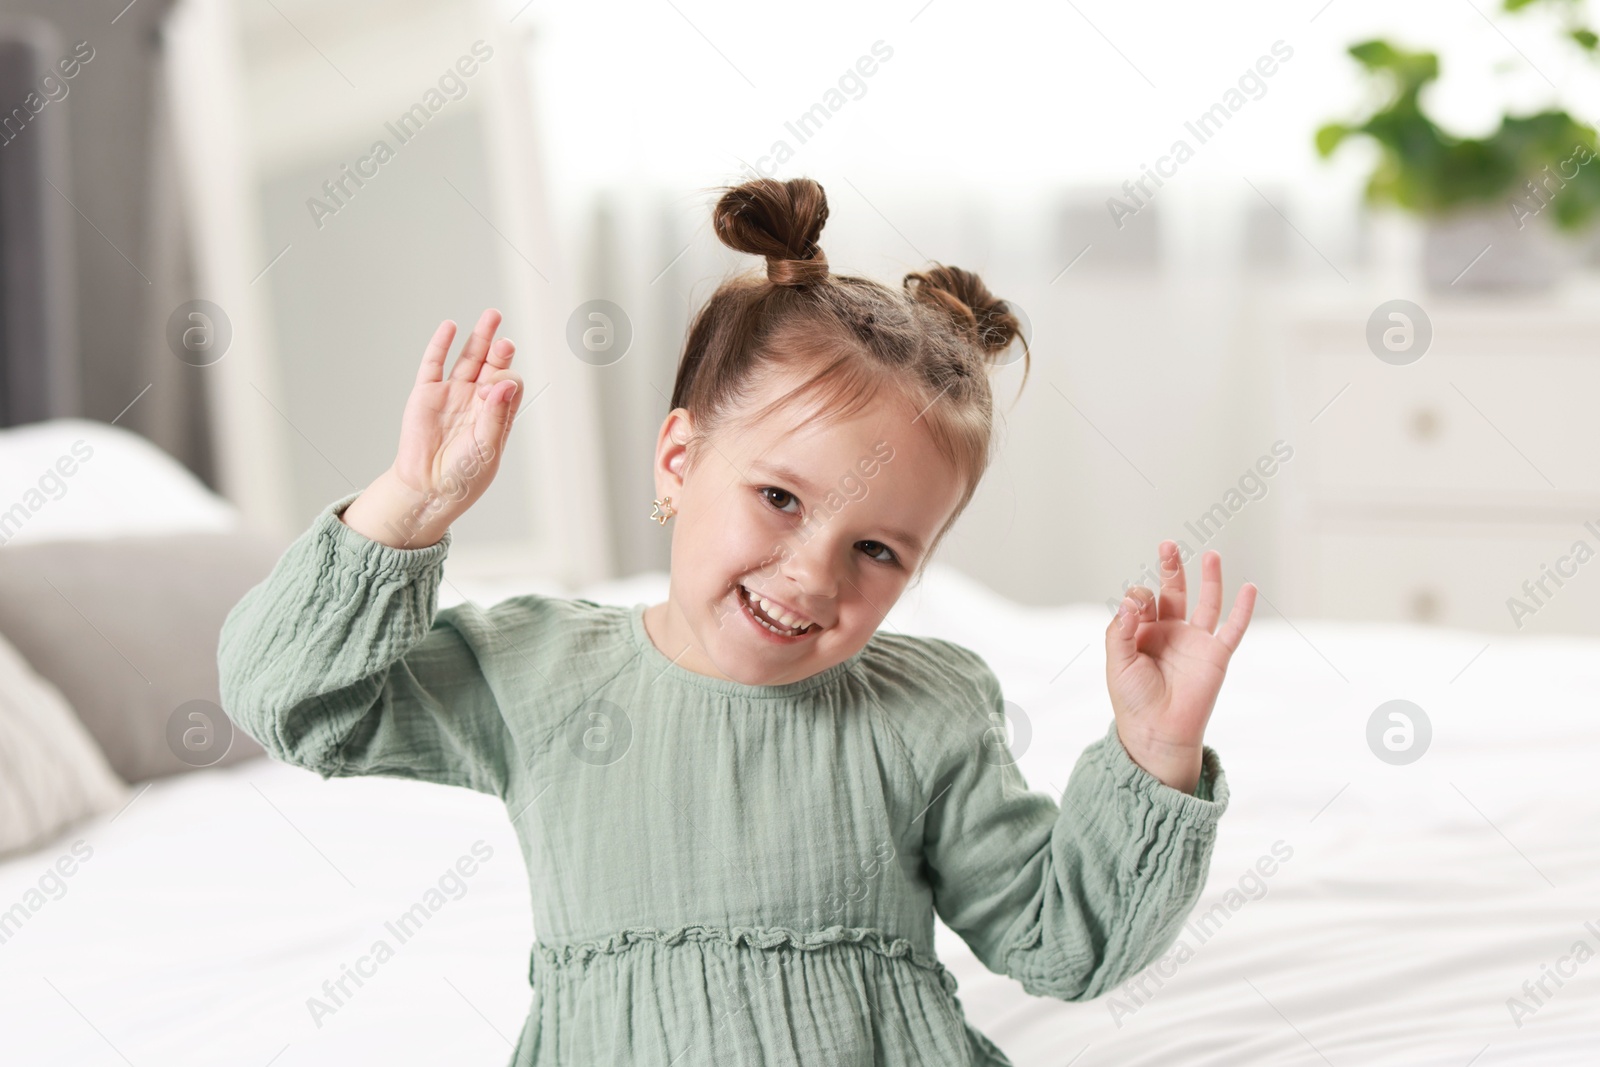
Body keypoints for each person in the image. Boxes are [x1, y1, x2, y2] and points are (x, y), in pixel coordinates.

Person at [219, 175, 1257, 1066]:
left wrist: (1155, 750)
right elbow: (295, 702)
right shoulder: (534, 670)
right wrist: (410, 505)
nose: (811, 574)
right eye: (780, 499)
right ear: (679, 460)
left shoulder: (927, 707)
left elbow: (1062, 939)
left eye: (878, 549)